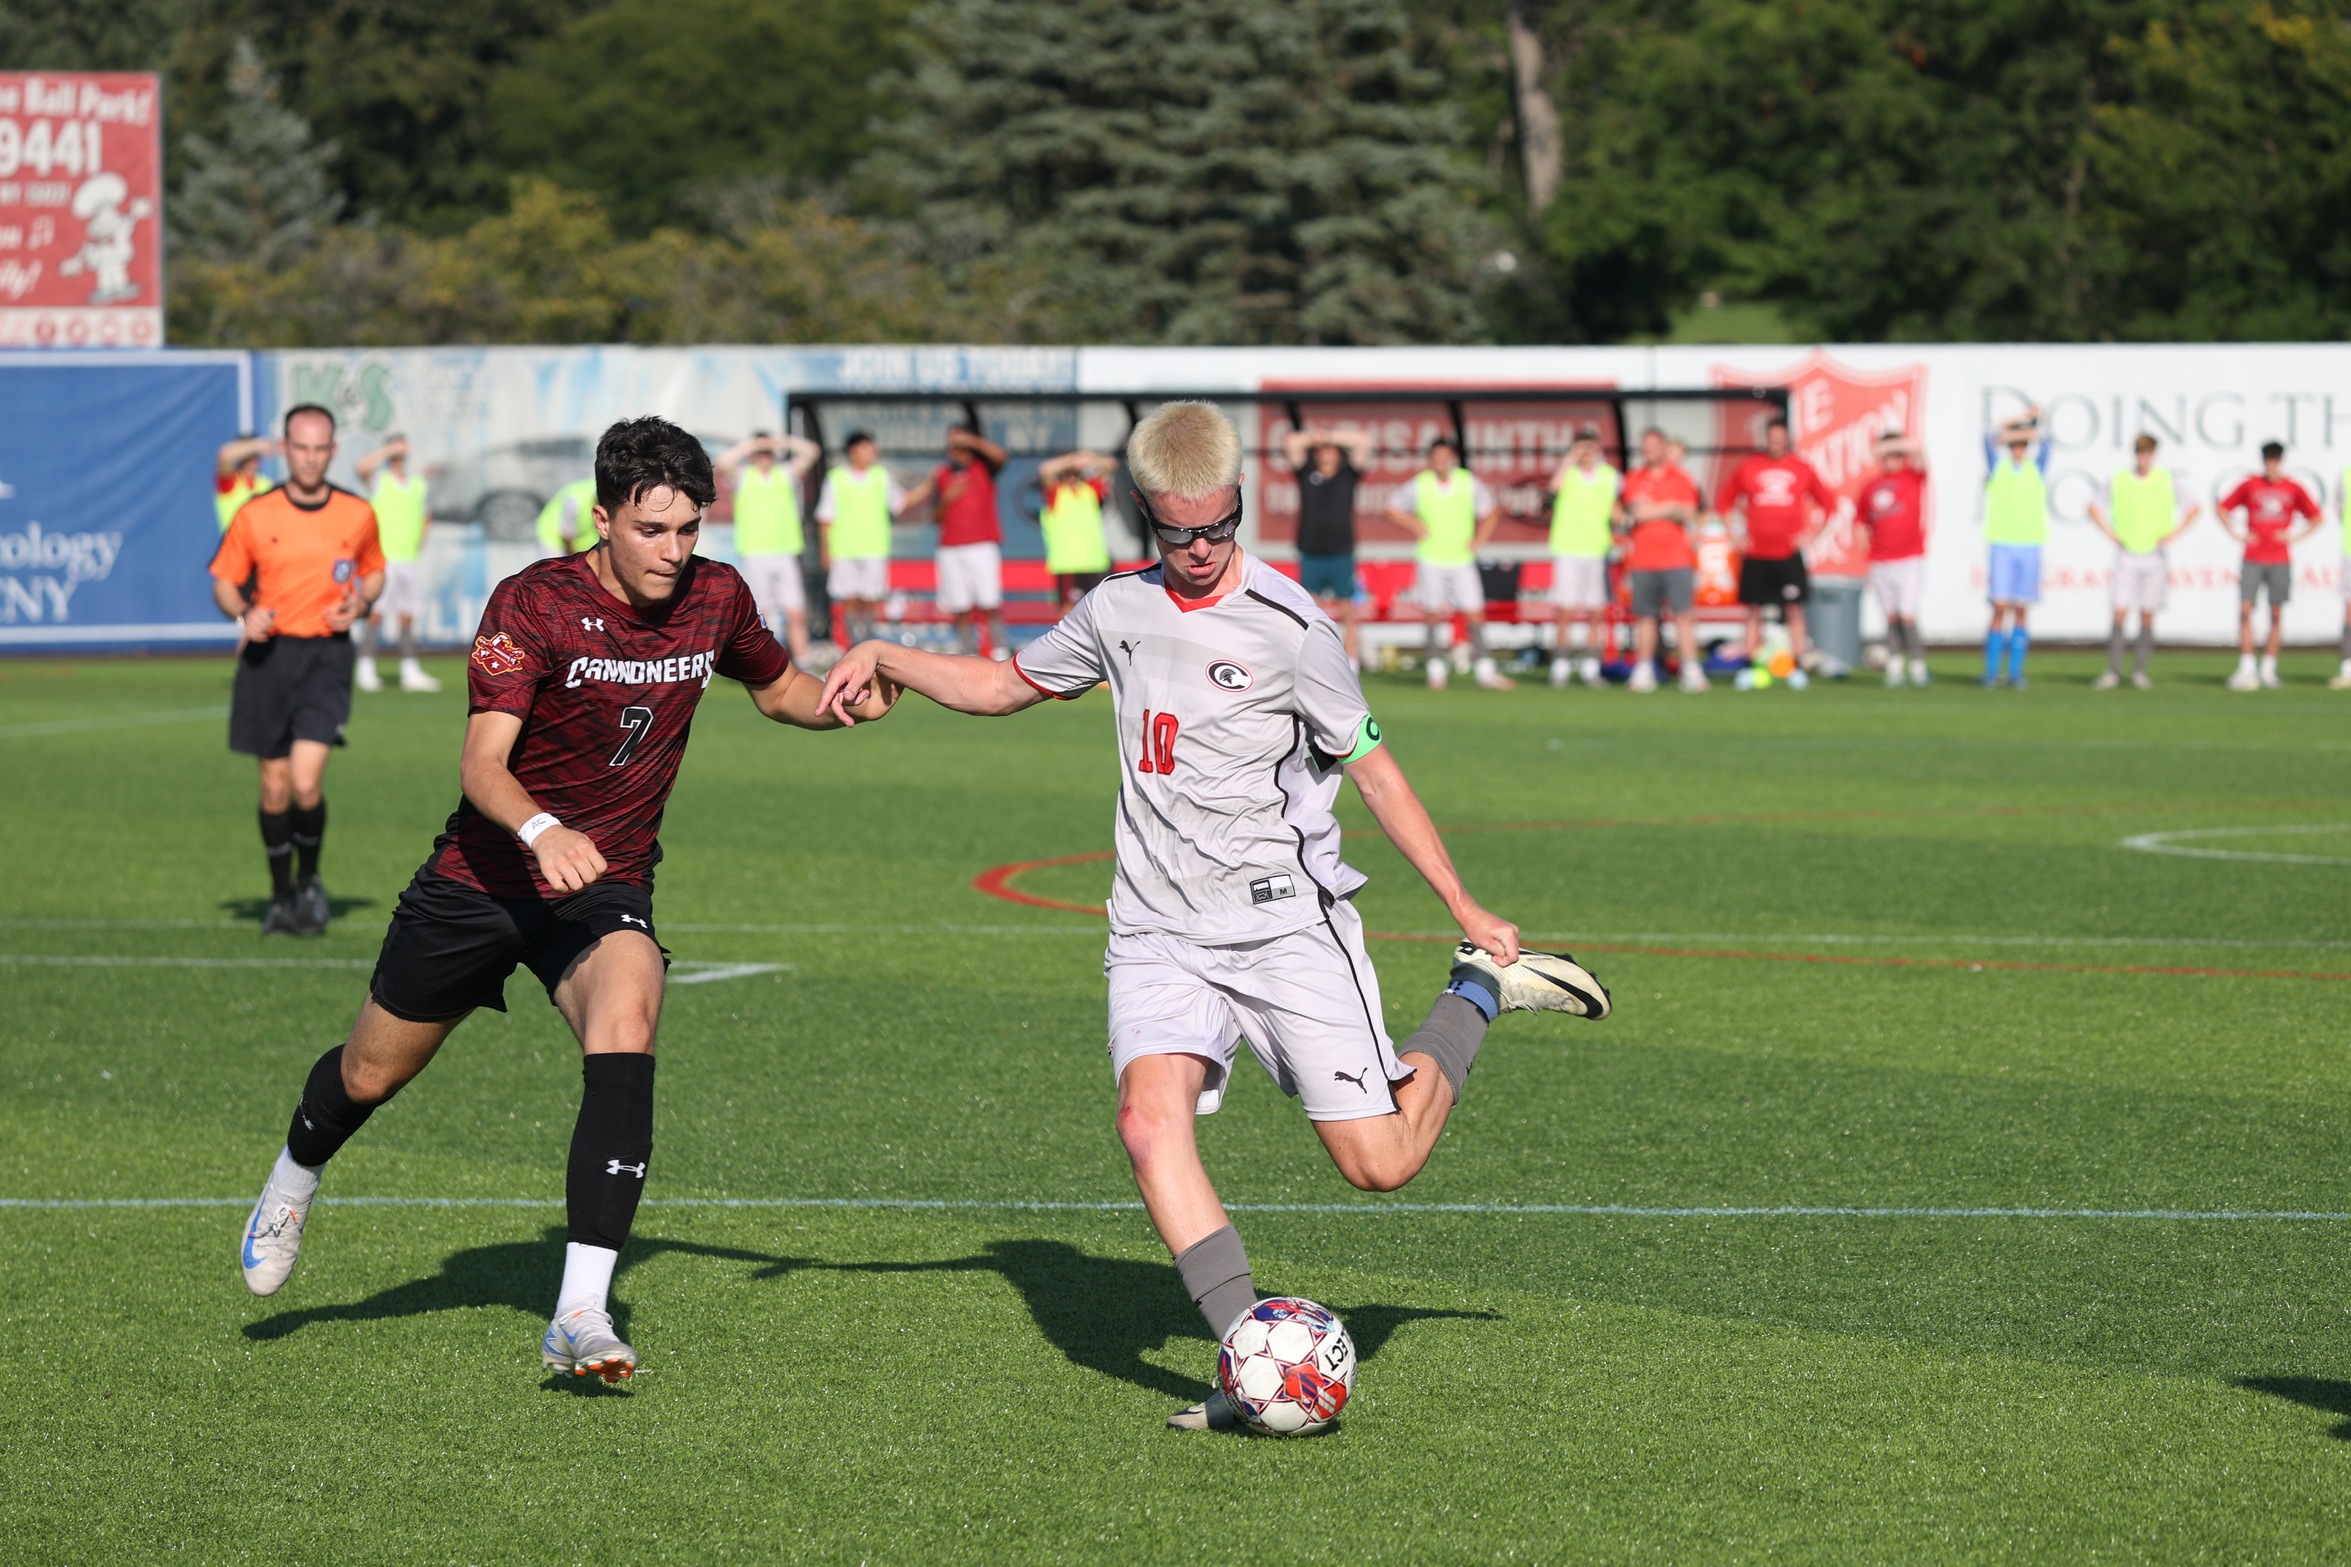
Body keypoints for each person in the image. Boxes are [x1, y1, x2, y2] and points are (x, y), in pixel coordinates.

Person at [814, 402, 1609, 1433]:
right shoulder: (1115, 607)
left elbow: (1374, 770)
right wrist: (887, 654)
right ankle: (1247, 1366)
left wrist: (1462, 902)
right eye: (1174, 531)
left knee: (1381, 1164)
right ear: (1142, 514)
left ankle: (1475, 990)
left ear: (1238, 506)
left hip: (1284, 926)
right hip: (1154, 927)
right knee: (1149, 1124)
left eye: (1216, 527)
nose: (1196, 550)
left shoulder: (1294, 628)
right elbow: (1004, 683)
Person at [234, 416, 893, 1382]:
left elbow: (779, 686)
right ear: (603, 518)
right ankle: (294, 1173)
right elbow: (481, 766)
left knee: (628, 1019)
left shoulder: (715, 596)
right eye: (651, 529)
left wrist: (843, 703)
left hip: (606, 882)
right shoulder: (531, 603)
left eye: (688, 529)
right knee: (370, 1075)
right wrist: (544, 830)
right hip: (485, 879)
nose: (673, 551)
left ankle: (579, 1312)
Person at [207, 404, 385, 938]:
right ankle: (280, 894)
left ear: (332, 451)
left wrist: (360, 606)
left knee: (306, 783)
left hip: (326, 658)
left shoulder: (357, 513)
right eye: (300, 447)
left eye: (320, 448)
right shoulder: (255, 513)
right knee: (274, 788)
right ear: (285, 449)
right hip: (269, 658)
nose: (310, 458)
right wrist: (243, 612)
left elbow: (375, 572)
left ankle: (309, 883)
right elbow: (222, 581)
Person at [1381, 436, 1513, 691]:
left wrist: (1479, 540)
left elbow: (1490, 512)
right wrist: (1414, 524)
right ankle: (1435, 670)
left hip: (1461, 559)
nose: (1440, 463)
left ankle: (1485, 671)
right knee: (1432, 614)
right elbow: (1390, 509)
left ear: (1452, 458)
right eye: (1436, 458)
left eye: (1445, 457)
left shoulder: (1467, 481)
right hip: (1431, 557)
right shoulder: (1421, 484)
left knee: (1475, 613)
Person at [1719, 416, 1832, 687]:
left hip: (1787, 553)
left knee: (1794, 608)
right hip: (1757, 552)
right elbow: (1724, 503)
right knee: (1753, 610)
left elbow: (1828, 503)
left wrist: (1812, 535)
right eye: (1771, 438)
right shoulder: (1750, 467)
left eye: (1780, 438)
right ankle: (1750, 664)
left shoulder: (1801, 468)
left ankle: (1798, 663)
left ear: (1787, 440)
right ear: (1765, 440)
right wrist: (1735, 536)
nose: (1775, 443)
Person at [2087, 434, 2200, 691]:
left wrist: (2173, 534)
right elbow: (2094, 507)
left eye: (2147, 452)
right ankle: (2113, 670)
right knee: (2119, 611)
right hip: (2128, 555)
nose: (2143, 457)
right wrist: (2113, 535)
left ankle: (2139, 671)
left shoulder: (2165, 479)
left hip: (2154, 555)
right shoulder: (2120, 479)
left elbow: (2193, 507)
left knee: (2147, 613)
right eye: (2140, 452)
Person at [2217, 441, 2322, 690]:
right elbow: (2222, 508)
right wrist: (2238, 534)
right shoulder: (2251, 485)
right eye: (2268, 459)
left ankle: (2268, 668)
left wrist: (2293, 537)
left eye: (2275, 459)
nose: (2271, 464)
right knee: (2245, 609)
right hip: (2253, 555)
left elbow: (2316, 517)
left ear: (2281, 461)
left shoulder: (2293, 488)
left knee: (2276, 613)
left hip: (2279, 558)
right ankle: (2246, 667)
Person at [903, 424, 1013, 658]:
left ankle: (999, 650)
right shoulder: (941, 474)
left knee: (989, 602)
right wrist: (946, 499)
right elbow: (934, 516)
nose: (955, 449)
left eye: (960, 444)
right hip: (950, 548)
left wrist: (971, 440)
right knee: (959, 606)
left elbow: (1001, 456)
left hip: (981, 545)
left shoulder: (983, 468)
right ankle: (968, 652)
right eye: (951, 444)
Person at [718, 430, 822, 664]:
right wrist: (751, 444)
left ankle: (803, 663)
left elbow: (812, 451)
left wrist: (781, 441)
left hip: (785, 551)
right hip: (755, 552)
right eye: (761, 452)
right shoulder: (743, 475)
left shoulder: (785, 474)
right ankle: (765, 663)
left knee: (795, 611)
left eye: (768, 452)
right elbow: (723, 462)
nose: (765, 457)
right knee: (761, 613)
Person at [1618, 428, 1706, 693]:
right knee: (1645, 617)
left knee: (1683, 615)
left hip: (1677, 558)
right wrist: (1669, 507)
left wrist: (1653, 509)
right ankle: (1644, 669)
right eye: (1645, 445)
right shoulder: (1634, 478)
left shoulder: (1680, 478)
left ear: (1663, 447)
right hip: (1644, 559)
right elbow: (1632, 512)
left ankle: (1690, 669)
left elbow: (1690, 512)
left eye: (1654, 445)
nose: (1649, 450)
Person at [1280, 423, 1375, 668]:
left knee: (1347, 610)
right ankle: (1318, 664)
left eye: (1330, 449)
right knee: (1311, 611)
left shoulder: (1348, 473)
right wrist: (1316, 438)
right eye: (1321, 449)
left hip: (1341, 551)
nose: (1325, 453)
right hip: (1311, 550)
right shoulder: (1306, 472)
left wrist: (1330, 436)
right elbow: (1291, 442)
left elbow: (1363, 440)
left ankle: (1351, 666)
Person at [354, 435, 437, 694]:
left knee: (407, 616)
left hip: (408, 560)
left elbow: (426, 515)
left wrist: (420, 541)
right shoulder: (381, 480)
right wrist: (387, 449)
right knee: (375, 614)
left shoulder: (417, 484)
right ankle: (365, 669)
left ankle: (409, 670)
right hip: (383, 559)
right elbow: (362, 468)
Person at [1542, 424, 1620, 687]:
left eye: (1591, 446)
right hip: (1568, 548)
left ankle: (1590, 667)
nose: (1587, 452)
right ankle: (1561, 666)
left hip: (1596, 550)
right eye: (1581, 447)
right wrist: (1570, 460)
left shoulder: (1609, 475)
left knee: (1595, 611)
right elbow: (1553, 490)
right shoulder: (1569, 474)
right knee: (1565, 610)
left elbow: (1617, 509)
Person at [1853, 429, 1931, 688]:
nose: (1890, 460)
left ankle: (1918, 665)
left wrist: (1890, 445)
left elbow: (1919, 449)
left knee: (1907, 614)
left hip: (1909, 558)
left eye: (1896, 454)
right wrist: (1866, 555)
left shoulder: (1912, 476)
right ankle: (1895, 665)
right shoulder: (1870, 486)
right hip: (1880, 560)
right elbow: (1861, 522)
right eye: (1886, 455)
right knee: (1891, 616)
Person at [815, 431, 906, 648]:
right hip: (844, 549)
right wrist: (826, 550)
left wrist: (930, 484)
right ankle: (849, 643)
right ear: (853, 450)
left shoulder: (882, 476)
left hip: (873, 548)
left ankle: (867, 641)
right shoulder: (836, 477)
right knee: (849, 599)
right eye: (867, 448)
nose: (872, 453)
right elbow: (826, 517)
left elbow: (901, 502)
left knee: (870, 598)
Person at [1981, 407, 2049, 688]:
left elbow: (2048, 442)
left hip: (2030, 543)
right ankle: (1992, 671)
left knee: (2021, 609)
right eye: (2015, 443)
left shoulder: (2036, 467)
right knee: (1999, 607)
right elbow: (1986, 436)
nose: (2019, 447)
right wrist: (2015, 418)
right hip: (2002, 542)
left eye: (2023, 443)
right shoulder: (1999, 467)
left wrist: (2036, 419)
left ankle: (2015, 672)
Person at [1040, 449, 1119, 609]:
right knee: (1068, 611)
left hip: (1095, 562)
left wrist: (1088, 459)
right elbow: (1045, 470)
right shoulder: (1056, 492)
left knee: (1098, 608)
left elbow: (1111, 464)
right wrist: (1071, 459)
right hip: (1067, 563)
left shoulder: (1089, 489)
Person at [216, 434, 276, 531]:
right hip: (235, 543)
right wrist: (257, 446)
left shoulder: (267, 484)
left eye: (255, 455)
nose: (252, 460)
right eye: (248, 456)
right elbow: (225, 456)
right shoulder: (230, 481)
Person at [535, 477, 600, 558]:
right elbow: (566, 537)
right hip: (554, 539)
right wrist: (575, 561)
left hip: (582, 541)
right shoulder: (576, 501)